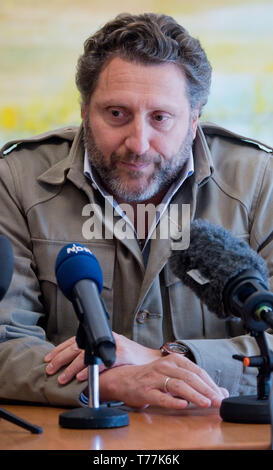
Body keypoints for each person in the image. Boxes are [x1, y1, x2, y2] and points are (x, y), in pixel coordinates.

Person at [0, 12, 272, 410]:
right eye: (116, 114)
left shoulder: (260, 182)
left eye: (160, 117)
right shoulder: (16, 179)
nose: (138, 143)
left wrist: (169, 359)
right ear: (84, 111)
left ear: (195, 119)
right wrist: (112, 381)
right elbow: (5, 341)